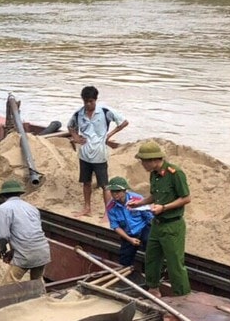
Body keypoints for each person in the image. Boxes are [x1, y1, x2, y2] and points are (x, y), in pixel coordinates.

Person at [127, 141, 191, 296]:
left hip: (172, 225)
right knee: (152, 258)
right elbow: (155, 195)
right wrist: (140, 203)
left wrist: (164, 208)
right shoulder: (154, 175)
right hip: (156, 223)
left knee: (175, 264)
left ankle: (182, 297)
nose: (142, 164)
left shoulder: (175, 173)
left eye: (143, 161)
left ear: (153, 160)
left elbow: (186, 198)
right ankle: (153, 289)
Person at [67, 85, 128, 217]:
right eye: (86, 101)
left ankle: (107, 212)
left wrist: (109, 135)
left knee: (105, 185)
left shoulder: (105, 111)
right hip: (84, 155)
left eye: (91, 101)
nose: (89, 104)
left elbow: (123, 122)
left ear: (96, 100)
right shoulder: (79, 114)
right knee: (86, 182)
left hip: (100, 155)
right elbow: (70, 126)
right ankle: (87, 208)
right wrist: (76, 138)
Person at [0, 179, 51, 283]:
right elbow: (28, 233)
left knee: (8, 285)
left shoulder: (3, 208)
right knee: (37, 283)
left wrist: (1, 249)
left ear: (3, 196)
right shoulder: (32, 208)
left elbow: (2, 236)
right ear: (19, 193)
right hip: (42, 250)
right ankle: (42, 298)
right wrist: (13, 251)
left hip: (26, 254)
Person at [105, 176, 153, 269]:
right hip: (128, 234)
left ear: (124, 190)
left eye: (117, 191)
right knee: (124, 260)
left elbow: (148, 216)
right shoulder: (111, 207)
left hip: (143, 228)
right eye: (112, 192)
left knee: (151, 246)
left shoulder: (137, 199)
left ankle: (151, 272)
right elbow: (115, 227)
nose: (115, 195)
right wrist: (129, 239)